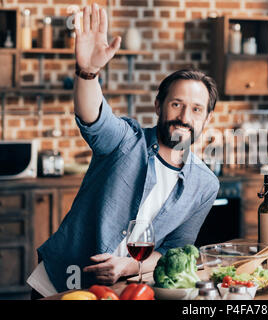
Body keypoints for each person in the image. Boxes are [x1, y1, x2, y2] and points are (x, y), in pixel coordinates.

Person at [27, 3, 219, 297]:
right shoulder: (124, 141)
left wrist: (128, 267)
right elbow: (93, 115)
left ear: (206, 119)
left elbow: (171, 255)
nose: (184, 117)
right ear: (159, 106)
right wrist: (88, 72)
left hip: (121, 290)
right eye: (177, 104)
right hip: (61, 284)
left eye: (196, 109)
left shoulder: (205, 184)